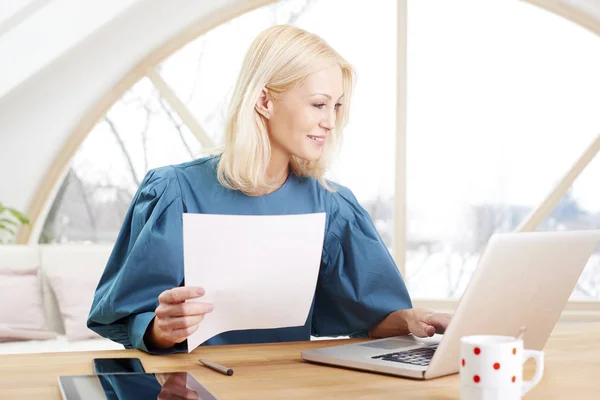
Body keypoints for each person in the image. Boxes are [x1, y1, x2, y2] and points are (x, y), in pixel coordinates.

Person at [87, 24, 451, 354]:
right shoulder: (174, 191)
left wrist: (411, 320)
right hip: (190, 386)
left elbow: (370, 316)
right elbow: (126, 316)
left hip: (287, 385)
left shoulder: (333, 205)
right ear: (264, 101)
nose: (330, 122)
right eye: (319, 104)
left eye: (336, 107)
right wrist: (160, 330)